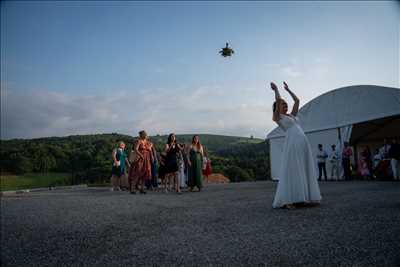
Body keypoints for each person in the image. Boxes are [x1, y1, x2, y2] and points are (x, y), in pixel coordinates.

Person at [270, 81, 321, 209]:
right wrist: (276, 90)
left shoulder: (291, 116)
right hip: (292, 143)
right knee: (293, 168)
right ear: (278, 107)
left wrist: (288, 90)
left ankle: (302, 197)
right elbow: (278, 99)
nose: (285, 106)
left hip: (302, 143)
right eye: (283, 105)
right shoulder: (278, 117)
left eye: (286, 105)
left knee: (302, 168)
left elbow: (297, 101)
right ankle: (289, 200)